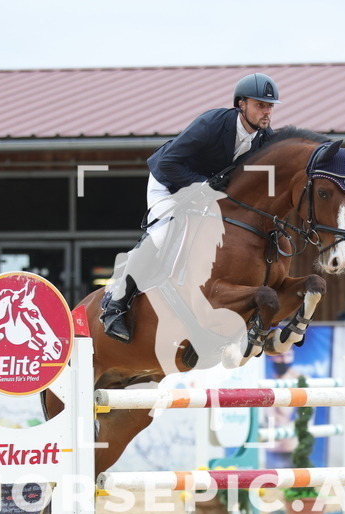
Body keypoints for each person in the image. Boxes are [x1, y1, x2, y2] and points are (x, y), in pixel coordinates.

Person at [101, 73, 281, 343]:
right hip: (169, 184)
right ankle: (115, 305)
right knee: (163, 234)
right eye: (260, 105)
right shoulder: (212, 124)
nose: (267, 112)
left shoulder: (265, 139)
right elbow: (168, 164)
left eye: (270, 106)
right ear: (241, 104)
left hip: (207, 195)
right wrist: (203, 185)